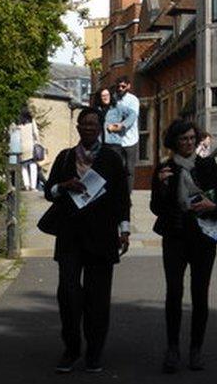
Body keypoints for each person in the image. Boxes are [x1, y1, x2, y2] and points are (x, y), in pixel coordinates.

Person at [42, 107, 131, 373]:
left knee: (98, 298)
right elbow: (49, 192)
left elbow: (121, 199)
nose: (89, 128)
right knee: (68, 294)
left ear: (101, 127)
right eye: (85, 124)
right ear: (78, 128)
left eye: (94, 124)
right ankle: (71, 348)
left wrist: (123, 229)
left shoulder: (112, 159)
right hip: (70, 235)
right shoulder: (66, 157)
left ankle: (94, 351)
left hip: (102, 236)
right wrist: (64, 186)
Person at [151, 120, 217, 373]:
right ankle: (172, 348)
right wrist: (161, 187)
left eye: (192, 139)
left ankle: (196, 349)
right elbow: (155, 208)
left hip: (203, 238)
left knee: (200, 293)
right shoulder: (165, 169)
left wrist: (212, 207)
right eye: (183, 139)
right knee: (173, 291)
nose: (189, 143)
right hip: (174, 237)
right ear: (174, 142)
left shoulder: (207, 165)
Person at [106, 76, 139, 192]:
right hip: (116, 140)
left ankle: (127, 194)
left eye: (123, 86)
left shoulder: (133, 100)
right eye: (118, 86)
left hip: (130, 140)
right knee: (116, 168)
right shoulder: (112, 98)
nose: (120, 88)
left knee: (129, 169)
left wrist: (119, 125)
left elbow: (131, 118)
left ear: (128, 86)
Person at [11, 106, 43, 191]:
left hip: (21, 147)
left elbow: (13, 134)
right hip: (31, 147)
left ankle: (26, 185)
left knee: (24, 167)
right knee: (33, 166)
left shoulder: (18, 124)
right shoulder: (32, 122)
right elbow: (36, 133)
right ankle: (33, 186)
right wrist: (38, 142)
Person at [99, 87, 128, 160]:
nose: (105, 98)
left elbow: (133, 114)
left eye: (107, 95)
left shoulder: (117, 108)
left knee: (115, 167)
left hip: (114, 144)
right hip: (100, 145)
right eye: (103, 96)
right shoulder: (97, 109)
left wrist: (123, 125)